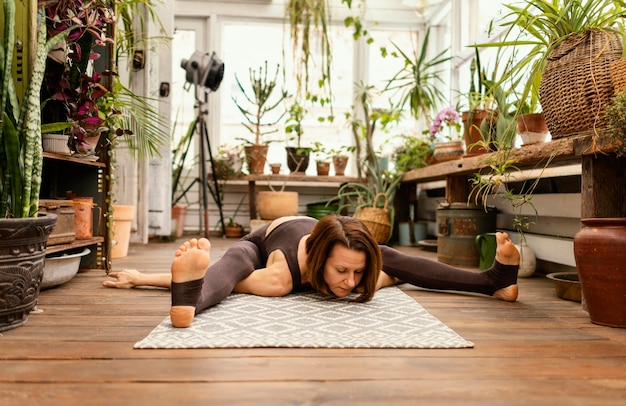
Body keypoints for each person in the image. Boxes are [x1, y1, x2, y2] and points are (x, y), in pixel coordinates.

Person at [103, 215, 520, 328]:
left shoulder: (354, 259)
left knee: (400, 265)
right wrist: (143, 277)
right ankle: (187, 298)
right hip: (266, 237)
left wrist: (379, 273)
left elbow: (414, 270)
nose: (350, 283)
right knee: (234, 271)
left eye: (357, 274)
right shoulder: (283, 272)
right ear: (319, 262)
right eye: (342, 272)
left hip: (332, 232)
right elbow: (226, 277)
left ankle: (494, 281)